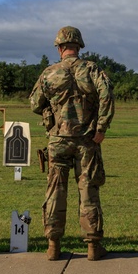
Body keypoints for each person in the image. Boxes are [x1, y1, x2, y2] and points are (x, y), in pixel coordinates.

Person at [29, 26, 115, 261]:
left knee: (55, 191)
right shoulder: (91, 70)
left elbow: (35, 103)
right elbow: (107, 95)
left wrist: (51, 110)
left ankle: (53, 246)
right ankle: (92, 247)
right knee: (88, 191)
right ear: (78, 46)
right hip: (87, 141)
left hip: (58, 140)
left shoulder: (49, 73)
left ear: (59, 48)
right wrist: (101, 128)